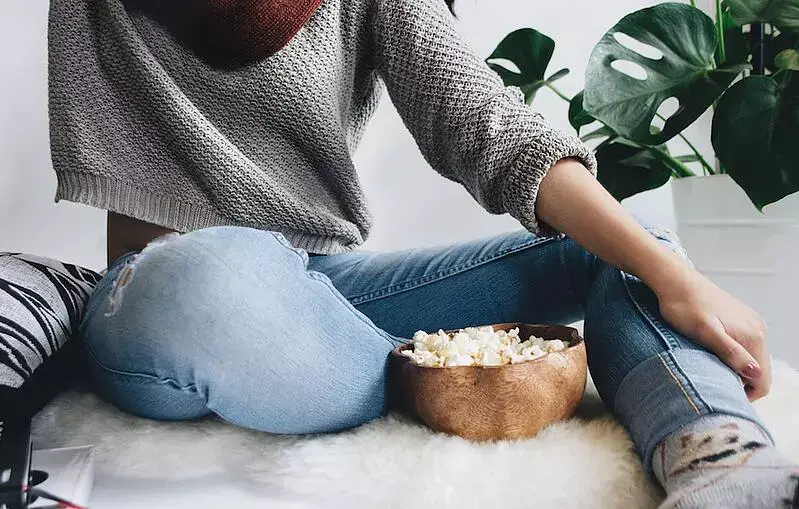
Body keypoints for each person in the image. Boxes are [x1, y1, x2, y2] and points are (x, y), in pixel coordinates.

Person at [48, 0, 797, 506]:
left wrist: (673, 277)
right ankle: (421, 377)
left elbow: (491, 129)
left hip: (322, 291)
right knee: (206, 273)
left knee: (627, 250)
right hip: (163, 297)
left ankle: (718, 458)